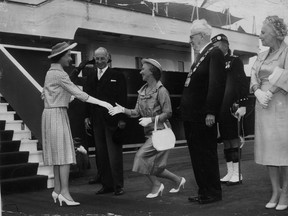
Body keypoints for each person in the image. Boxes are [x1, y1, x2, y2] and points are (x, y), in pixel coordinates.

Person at [41, 42, 113, 206]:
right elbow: (81, 95)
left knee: (58, 156)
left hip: (51, 114)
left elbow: (47, 94)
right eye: (68, 55)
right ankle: (65, 193)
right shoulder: (59, 74)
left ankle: (58, 190)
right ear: (61, 57)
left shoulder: (50, 73)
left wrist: (64, 97)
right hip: (57, 114)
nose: (70, 58)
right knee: (65, 155)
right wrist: (103, 103)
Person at [110, 58, 186, 198]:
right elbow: (136, 112)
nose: (140, 72)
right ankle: (178, 180)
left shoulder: (161, 91)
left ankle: (157, 185)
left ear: (151, 72)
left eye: (143, 69)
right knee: (156, 168)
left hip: (162, 132)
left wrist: (151, 119)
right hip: (150, 134)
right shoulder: (142, 91)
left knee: (140, 158)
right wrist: (122, 110)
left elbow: (168, 113)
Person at [180, 19, 226, 204]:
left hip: (202, 115)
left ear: (202, 35)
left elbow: (216, 85)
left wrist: (211, 112)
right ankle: (203, 190)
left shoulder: (214, 53)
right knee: (196, 155)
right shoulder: (201, 55)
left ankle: (212, 192)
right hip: (192, 115)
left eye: (192, 36)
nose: (190, 40)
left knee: (205, 154)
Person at [250, 15, 288, 211]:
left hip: (281, 105)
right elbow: (254, 73)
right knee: (269, 151)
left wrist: (269, 92)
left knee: (283, 150)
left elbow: (287, 75)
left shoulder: (287, 52)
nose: (260, 35)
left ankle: (286, 192)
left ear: (274, 33)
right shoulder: (262, 55)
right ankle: (276, 190)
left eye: (263, 32)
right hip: (263, 105)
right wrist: (257, 91)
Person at [80, 47, 127, 196]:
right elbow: (87, 97)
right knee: (101, 154)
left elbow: (122, 98)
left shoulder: (117, 75)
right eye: (97, 59)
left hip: (113, 119)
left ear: (108, 58)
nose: (99, 61)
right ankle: (107, 185)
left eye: (102, 58)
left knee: (114, 154)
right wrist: (87, 116)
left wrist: (122, 119)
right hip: (96, 120)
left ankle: (118, 186)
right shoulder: (91, 75)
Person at [211, 34, 249, 185]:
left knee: (233, 139)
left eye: (217, 46)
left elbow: (242, 82)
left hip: (232, 106)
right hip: (221, 106)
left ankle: (237, 173)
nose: (215, 49)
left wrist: (243, 104)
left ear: (225, 45)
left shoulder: (234, 60)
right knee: (226, 140)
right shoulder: (215, 62)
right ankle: (230, 171)